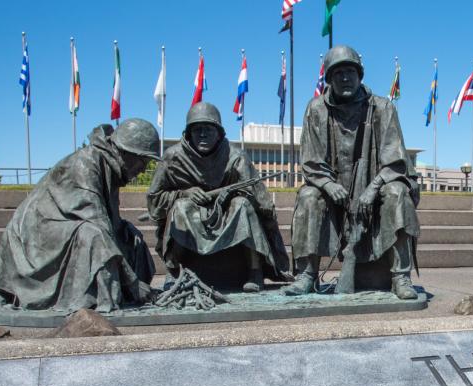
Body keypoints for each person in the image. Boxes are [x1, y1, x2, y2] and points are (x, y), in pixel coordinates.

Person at [284, 44, 420, 299]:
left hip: (375, 192)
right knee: (308, 196)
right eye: (338, 73)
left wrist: (373, 188)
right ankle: (307, 275)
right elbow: (311, 161)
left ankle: (400, 277)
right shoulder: (316, 109)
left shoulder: (382, 108)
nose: (345, 78)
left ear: (360, 75)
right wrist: (327, 185)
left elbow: (395, 160)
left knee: (397, 191)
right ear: (329, 78)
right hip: (334, 195)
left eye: (350, 71)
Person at [0, 119, 159, 313]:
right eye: (143, 161)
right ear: (126, 152)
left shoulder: (110, 168)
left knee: (129, 234)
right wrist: (132, 281)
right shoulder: (86, 163)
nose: (143, 169)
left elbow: (111, 223)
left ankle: (129, 295)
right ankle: (97, 301)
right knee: (93, 235)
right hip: (34, 236)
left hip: (63, 226)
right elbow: (97, 223)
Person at [146, 102, 290, 292]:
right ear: (188, 133)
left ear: (219, 133)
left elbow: (260, 199)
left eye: (208, 129)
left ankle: (254, 271)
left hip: (227, 214)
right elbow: (155, 199)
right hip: (192, 215)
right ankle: (174, 271)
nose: (203, 134)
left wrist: (231, 195)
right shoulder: (172, 157)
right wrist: (184, 193)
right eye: (197, 129)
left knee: (243, 205)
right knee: (181, 208)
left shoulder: (236, 156)